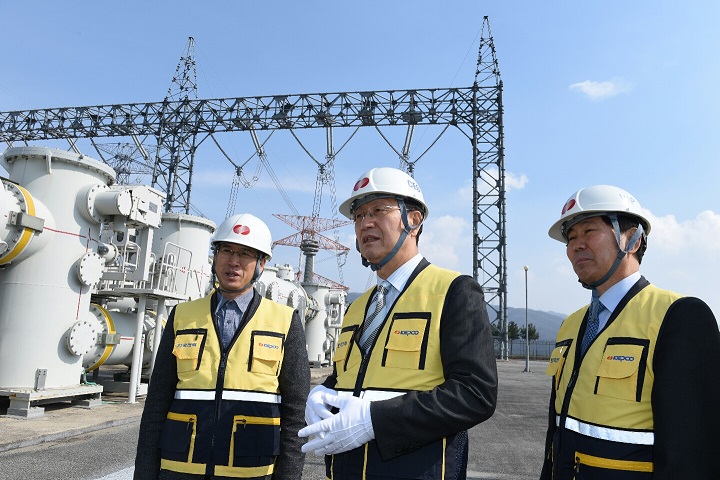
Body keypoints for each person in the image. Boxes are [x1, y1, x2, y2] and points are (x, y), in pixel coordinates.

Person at [298, 167, 498, 479]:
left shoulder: (454, 291)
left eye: (378, 210)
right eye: (359, 215)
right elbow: (352, 378)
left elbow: (475, 395)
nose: (366, 223)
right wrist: (321, 391)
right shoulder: (358, 307)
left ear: (413, 220)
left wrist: (374, 421)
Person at [540, 185, 720, 479]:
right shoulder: (570, 325)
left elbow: (692, 456)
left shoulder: (677, 317)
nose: (576, 245)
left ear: (633, 239)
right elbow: (555, 432)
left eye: (589, 232)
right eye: (570, 238)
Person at [134, 213, 310, 480]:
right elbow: (156, 404)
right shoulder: (183, 316)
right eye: (226, 250)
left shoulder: (285, 322)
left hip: (251, 471)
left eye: (246, 253)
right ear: (215, 256)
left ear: (261, 263)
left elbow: (296, 414)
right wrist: (145, 474)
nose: (234, 261)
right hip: (180, 468)